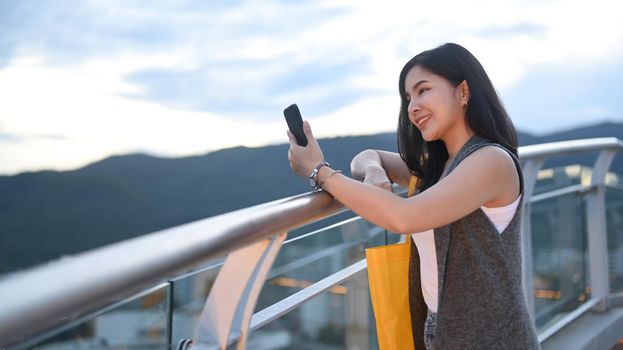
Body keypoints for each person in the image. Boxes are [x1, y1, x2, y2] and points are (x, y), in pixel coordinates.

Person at [287, 43, 540, 349]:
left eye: (423, 90)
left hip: (491, 338)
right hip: (442, 330)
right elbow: (365, 157)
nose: (412, 106)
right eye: (408, 97)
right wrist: (377, 173)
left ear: (463, 92)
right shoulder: (441, 166)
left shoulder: (491, 161)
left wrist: (319, 171)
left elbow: (404, 217)